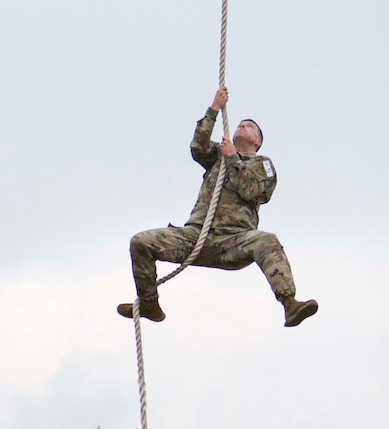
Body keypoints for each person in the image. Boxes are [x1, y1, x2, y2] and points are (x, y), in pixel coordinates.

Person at [117, 86, 318, 328]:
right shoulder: (217, 156)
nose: (242, 126)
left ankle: (290, 303)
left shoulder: (262, 164)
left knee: (266, 240)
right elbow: (197, 146)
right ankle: (149, 303)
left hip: (233, 241)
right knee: (140, 242)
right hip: (196, 236)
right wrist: (214, 108)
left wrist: (233, 157)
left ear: (258, 141)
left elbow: (253, 191)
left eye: (249, 126)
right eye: (240, 124)